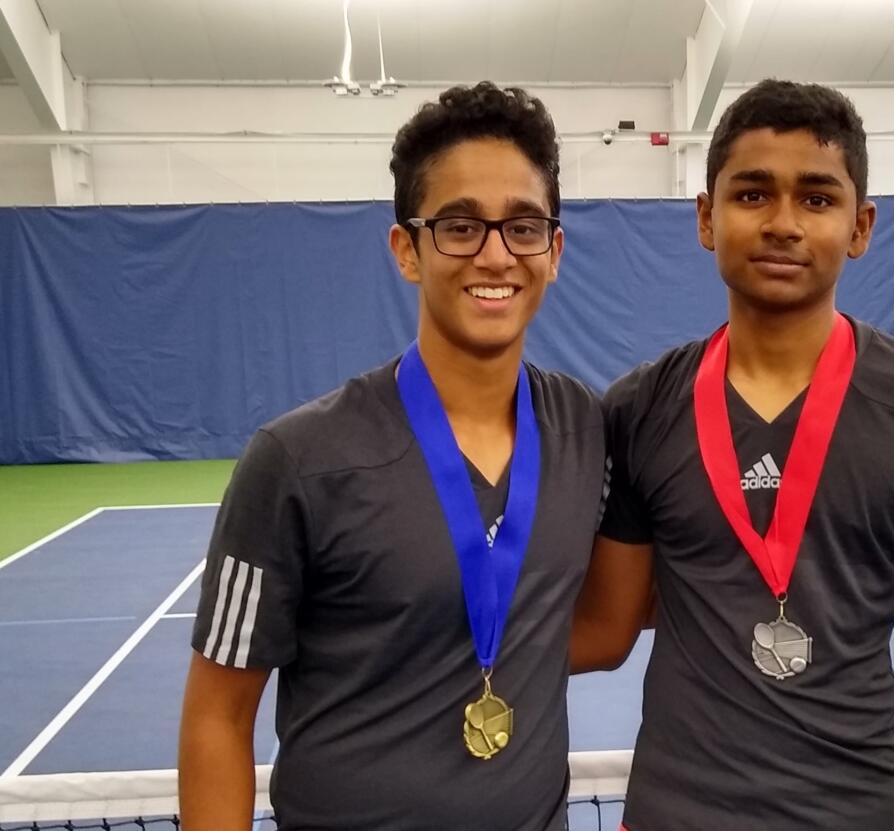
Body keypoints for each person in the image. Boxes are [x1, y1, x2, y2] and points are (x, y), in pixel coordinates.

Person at [571, 79, 894, 831]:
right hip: (678, 812)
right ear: (706, 218)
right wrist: (417, 649)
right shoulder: (637, 408)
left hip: (859, 810)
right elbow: (610, 623)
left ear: (861, 226)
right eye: (752, 195)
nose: (783, 223)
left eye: (818, 199)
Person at [179, 82, 606, 831]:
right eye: (460, 225)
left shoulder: (584, 429)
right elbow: (217, 715)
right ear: (407, 249)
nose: (496, 253)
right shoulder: (296, 459)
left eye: (524, 226)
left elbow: (609, 618)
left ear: (556, 250)